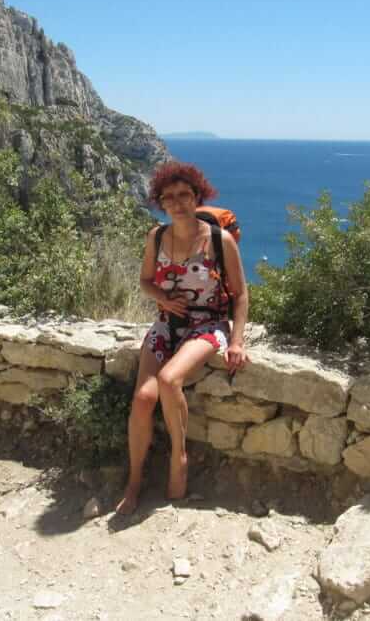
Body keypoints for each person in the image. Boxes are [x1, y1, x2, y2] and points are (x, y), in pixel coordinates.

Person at [116, 161, 249, 514]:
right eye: (169, 197)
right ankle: (135, 479)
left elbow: (240, 294)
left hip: (209, 325)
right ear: (161, 202)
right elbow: (146, 281)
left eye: (184, 195)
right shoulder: (156, 237)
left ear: (197, 197)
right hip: (167, 324)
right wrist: (162, 298)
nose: (177, 202)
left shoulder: (219, 241)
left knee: (169, 379)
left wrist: (236, 341)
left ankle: (179, 457)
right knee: (144, 398)